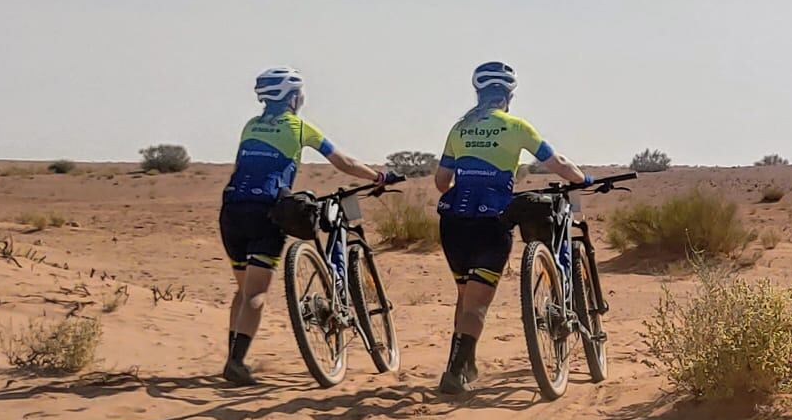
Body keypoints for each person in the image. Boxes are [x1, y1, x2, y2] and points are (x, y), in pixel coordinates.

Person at [218, 69, 391, 386]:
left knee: (243, 290)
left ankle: (232, 356)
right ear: (293, 97)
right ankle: (237, 363)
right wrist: (377, 177)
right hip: (266, 211)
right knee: (256, 292)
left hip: (231, 210)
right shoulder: (298, 127)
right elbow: (343, 161)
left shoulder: (251, 126)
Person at [432, 61, 590, 398]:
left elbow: (441, 182)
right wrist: (582, 179)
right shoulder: (516, 126)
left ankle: (461, 365)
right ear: (509, 94)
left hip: (453, 222)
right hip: (491, 220)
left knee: (464, 296)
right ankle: (455, 373)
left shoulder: (459, 128)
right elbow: (556, 163)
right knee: (477, 304)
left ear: (478, 92)